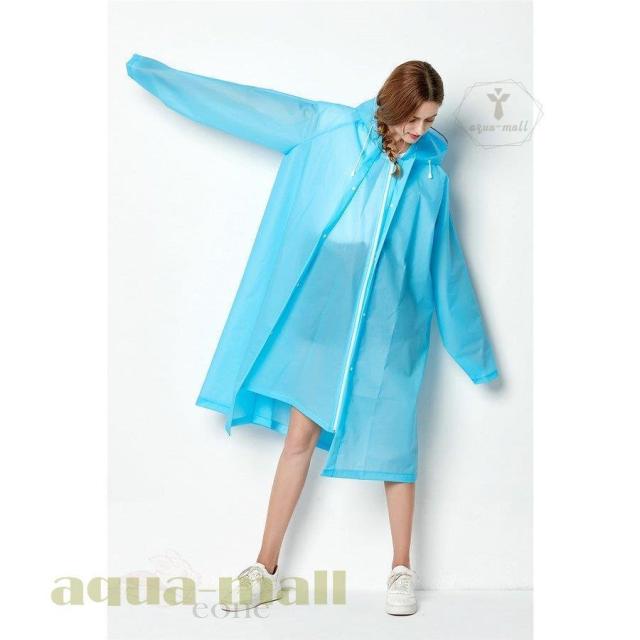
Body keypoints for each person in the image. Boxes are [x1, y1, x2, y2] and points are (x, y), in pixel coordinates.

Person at [126, 54, 500, 616]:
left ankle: (401, 569)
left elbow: (445, 266)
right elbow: (245, 106)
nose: (420, 130)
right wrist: (161, 79)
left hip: (388, 334)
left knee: (395, 450)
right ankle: (265, 567)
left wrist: (475, 355)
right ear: (390, 104)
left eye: (429, 120)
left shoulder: (431, 180)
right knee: (298, 440)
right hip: (324, 325)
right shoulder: (329, 129)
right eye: (413, 118)